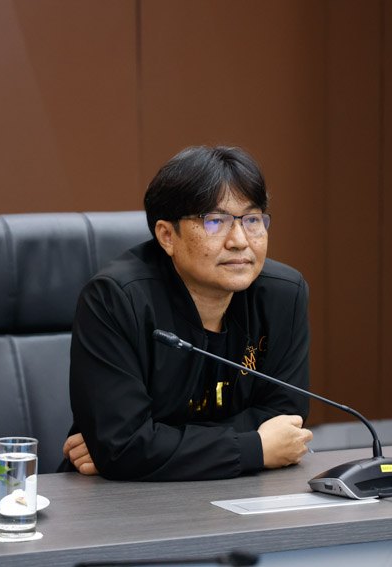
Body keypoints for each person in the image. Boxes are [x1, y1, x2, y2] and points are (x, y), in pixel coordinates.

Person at [58, 145, 313, 481]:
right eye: (215, 221)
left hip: (245, 488)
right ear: (167, 235)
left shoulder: (283, 294)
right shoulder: (116, 299)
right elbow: (123, 447)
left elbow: (286, 420)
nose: (240, 240)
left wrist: (150, 446)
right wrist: (255, 447)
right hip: (122, 499)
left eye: (252, 220)